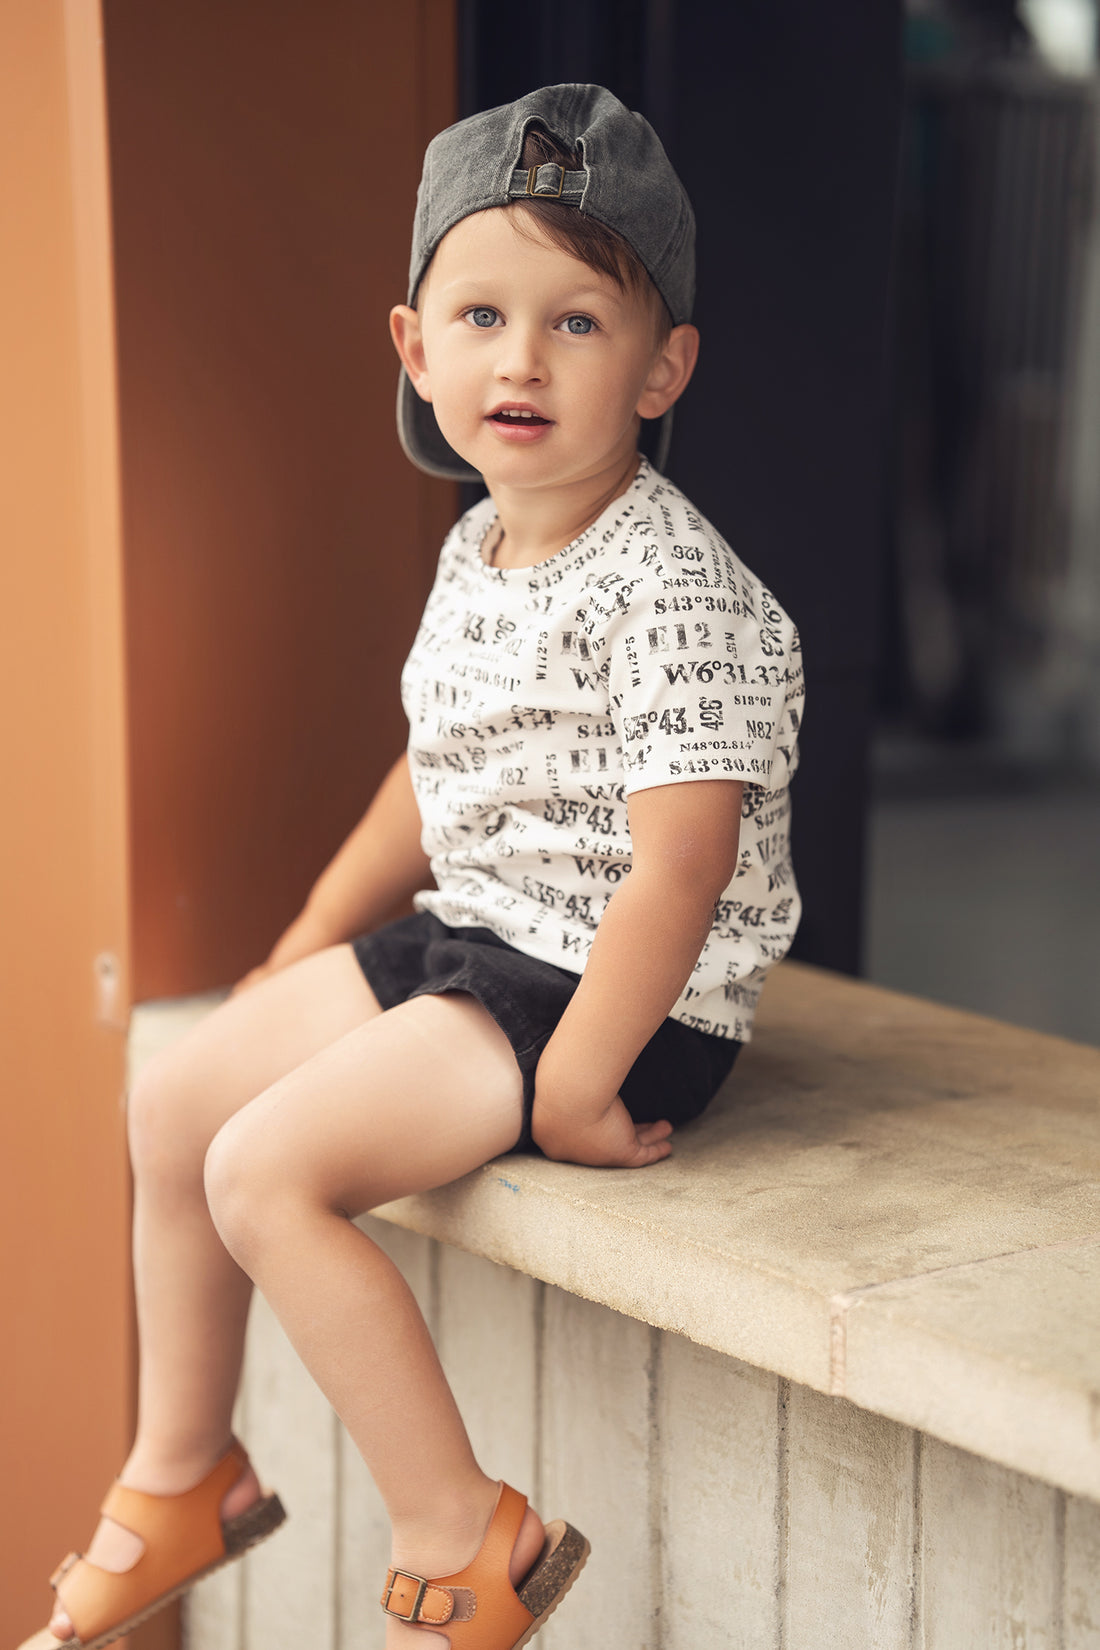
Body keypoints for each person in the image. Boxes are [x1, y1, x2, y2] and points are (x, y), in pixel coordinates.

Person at [28, 84, 803, 1650]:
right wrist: (307, 943)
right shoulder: (482, 539)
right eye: (484, 313)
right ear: (417, 348)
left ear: (664, 368)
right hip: (479, 937)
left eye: (580, 323)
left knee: (264, 1172)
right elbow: (434, 770)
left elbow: (680, 867)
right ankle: (186, 1470)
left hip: (609, 990)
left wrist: (580, 1080)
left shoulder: (675, 585)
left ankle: (467, 1536)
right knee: (176, 1094)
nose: (523, 359)